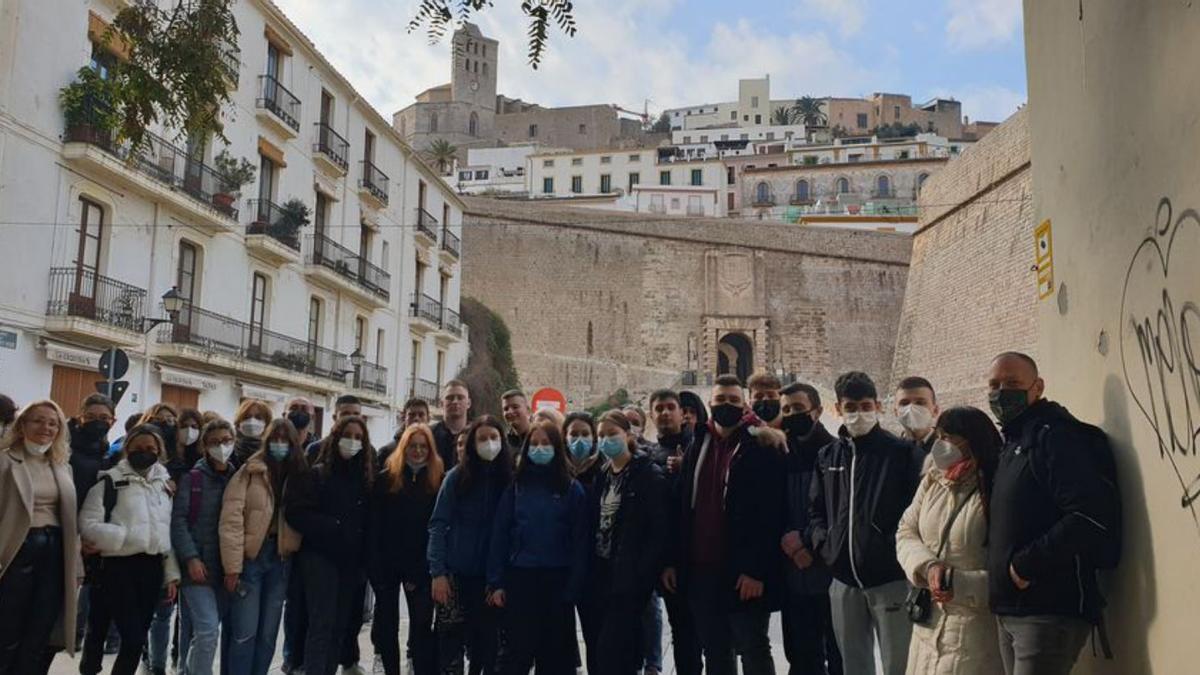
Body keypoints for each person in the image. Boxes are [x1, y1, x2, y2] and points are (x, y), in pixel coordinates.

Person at [986, 352, 1120, 675]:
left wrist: (1024, 566)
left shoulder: (1055, 436)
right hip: (1012, 609)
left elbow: (1088, 514)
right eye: (994, 384)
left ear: (1038, 387)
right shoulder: (1015, 440)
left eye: (1013, 383)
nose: (1001, 392)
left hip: (1047, 610)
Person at [662, 375, 787, 675]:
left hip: (741, 571)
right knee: (716, 651)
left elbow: (771, 514)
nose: (726, 406)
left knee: (753, 648)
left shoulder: (760, 445)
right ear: (710, 403)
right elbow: (683, 507)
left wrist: (756, 570)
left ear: (744, 405)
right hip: (701, 570)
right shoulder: (697, 443)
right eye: (721, 400)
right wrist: (673, 561)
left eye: (733, 400)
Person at [807, 371, 924, 675]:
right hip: (843, 581)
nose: (858, 413)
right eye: (851, 407)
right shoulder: (827, 455)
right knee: (853, 665)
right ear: (838, 409)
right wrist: (826, 544)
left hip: (891, 580)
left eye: (865, 405)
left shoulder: (901, 453)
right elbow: (816, 509)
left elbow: (915, 511)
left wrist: (890, 549)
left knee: (898, 664)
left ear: (878, 406)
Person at [896, 406, 1003, 675]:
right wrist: (928, 567)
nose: (940, 445)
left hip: (975, 628)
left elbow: (1007, 569)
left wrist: (960, 582)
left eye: (950, 437)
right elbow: (906, 531)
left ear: (973, 441)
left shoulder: (996, 488)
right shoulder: (933, 480)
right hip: (928, 623)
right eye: (939, 435)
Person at [487, 418, 589, 675]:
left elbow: (580, 543)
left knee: (555, 659)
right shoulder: (516, 487)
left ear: (556, 447)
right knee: (514, 657)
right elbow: (500, 535)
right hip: (520, 579)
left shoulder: (572, 489)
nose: (540, 448)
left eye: (546, 443)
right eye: (534, 443)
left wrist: (573, 588)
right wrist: (496, 582)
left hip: (558, 582)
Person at [79, 424, 181, 675]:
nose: (144, 452)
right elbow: (88, 524)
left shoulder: (165, 486)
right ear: (127, 450)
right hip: (116, 567)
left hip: (151, 568)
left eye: (150, 448)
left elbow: (165, 530)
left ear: (160, 451)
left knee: (136, 639)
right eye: (138, 448)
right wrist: (123, 537)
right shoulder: (109, 481)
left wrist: (170, 574)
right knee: (106, 631)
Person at [580, 411, 667, 675]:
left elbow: (659, 528)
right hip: (603, 573)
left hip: (630, 577)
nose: (606, 440)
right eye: (602, 435)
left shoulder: (647, 474)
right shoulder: (604, 474)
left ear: (628, 436)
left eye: (612, 434)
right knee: (603, 650)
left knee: (615, 650)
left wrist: (643, 572)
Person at [286, 415, 374, 675]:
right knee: (321, 624)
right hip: (319, 558)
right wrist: (332, 526)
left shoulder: (365, 478)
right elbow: (296, 512)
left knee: (340, 625)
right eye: (348, 435)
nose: (353, 442)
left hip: (351, 562)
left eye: (359, 437)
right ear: (336, 438)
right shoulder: (318, 473)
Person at [428, 415, 514, 675]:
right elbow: (438, 524)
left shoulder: (510, 479)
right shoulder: (456, 477)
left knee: (487, 649)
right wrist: (438, 573)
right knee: (450, 650)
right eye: (482, 439)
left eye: (494, 438)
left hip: (493, 579)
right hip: (456, 576)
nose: (489, 443)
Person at [0, 400, 80, 673]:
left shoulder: (61, 466)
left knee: (40, 630)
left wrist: (76, 566)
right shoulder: (4, 460)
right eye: (38, 420)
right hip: (15, 552)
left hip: (55, 554)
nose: (45, 427)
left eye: (53, 422)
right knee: (7, 631)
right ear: (22, 425)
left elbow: (70, 520)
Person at [221, 417, 304, 675]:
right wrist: (232, 566)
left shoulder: (301, 474)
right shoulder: (250, 471)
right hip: (251, 559)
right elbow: (231, 520)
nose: (280, 444)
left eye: (285, 440)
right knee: (245, 633)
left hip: (281, 561)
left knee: (268, 636)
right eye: (275, 439)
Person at [778, 383, 842, 675]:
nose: (792, 414)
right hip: (792, 570)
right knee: (800, 653)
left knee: (838, 648)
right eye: (786, 409)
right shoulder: (780, 453)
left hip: (827, 566)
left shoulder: (834, 454)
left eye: (798, 408)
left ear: (817, 411)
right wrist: (790, 544)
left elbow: (838, 511)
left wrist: (806, 543)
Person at [369, 424, 444, 675]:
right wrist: (377, 569)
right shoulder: (386, 479)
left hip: (421, 569)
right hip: (388, 568)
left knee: (422, 626)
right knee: (387, 627)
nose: (418, 451)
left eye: (424, 446)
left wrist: (422, 571)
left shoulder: (437, 482)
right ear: (404, 448)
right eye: (413, 446)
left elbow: (437, 528)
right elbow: (375, 528)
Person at [171, 419, 237, 675]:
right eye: (215, 442)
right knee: (208, 631)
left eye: (226, 441)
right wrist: (190, 558)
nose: (222, 446)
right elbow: (178, 521)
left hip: (225, 569)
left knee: (204, 633)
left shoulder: (238, 477)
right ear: (204, 446)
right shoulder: (193, 478)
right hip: (197, 569)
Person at [645, 390, 701, 675]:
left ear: (682, 413)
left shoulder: (700, 450)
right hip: (669, 561)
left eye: (671, 408)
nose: (665, 413)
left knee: (711, 636)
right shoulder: (650, 456)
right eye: (659, 408)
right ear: (652, 416)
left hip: (701, 558)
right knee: (683, 633)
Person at [66, 394, 116, 656]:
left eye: (104, 418)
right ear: (80, 416)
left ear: (113, 421)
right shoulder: (63, 448)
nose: (98, 422)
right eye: (92, 417)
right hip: (62, 536)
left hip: (87, 541)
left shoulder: (106, 452)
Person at [894, 376, 940, 455]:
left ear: (935, 411)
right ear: (896, 412)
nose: (911, 408)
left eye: (920, 403)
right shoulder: (889, 450)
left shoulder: (947, 450)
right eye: (904, 403)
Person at [377, 398, 430, 466]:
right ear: (403, 418)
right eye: (412, 415)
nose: (416, 418)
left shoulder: (434, 451)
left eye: (421, 415)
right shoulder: (387, 452)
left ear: (428, 419)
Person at [432, 380, 472, 470]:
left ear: (469, 403)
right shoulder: (429, 435)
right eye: (450, 398)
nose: (455, 401)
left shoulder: (476, 434)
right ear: (441, 403)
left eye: (460, 397)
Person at [233, 400, 273, 469]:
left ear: (267, 424)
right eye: (246, 417)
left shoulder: (271, 454)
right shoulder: (229, 452)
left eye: (258, 418)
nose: (252, 421)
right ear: (238, 423)